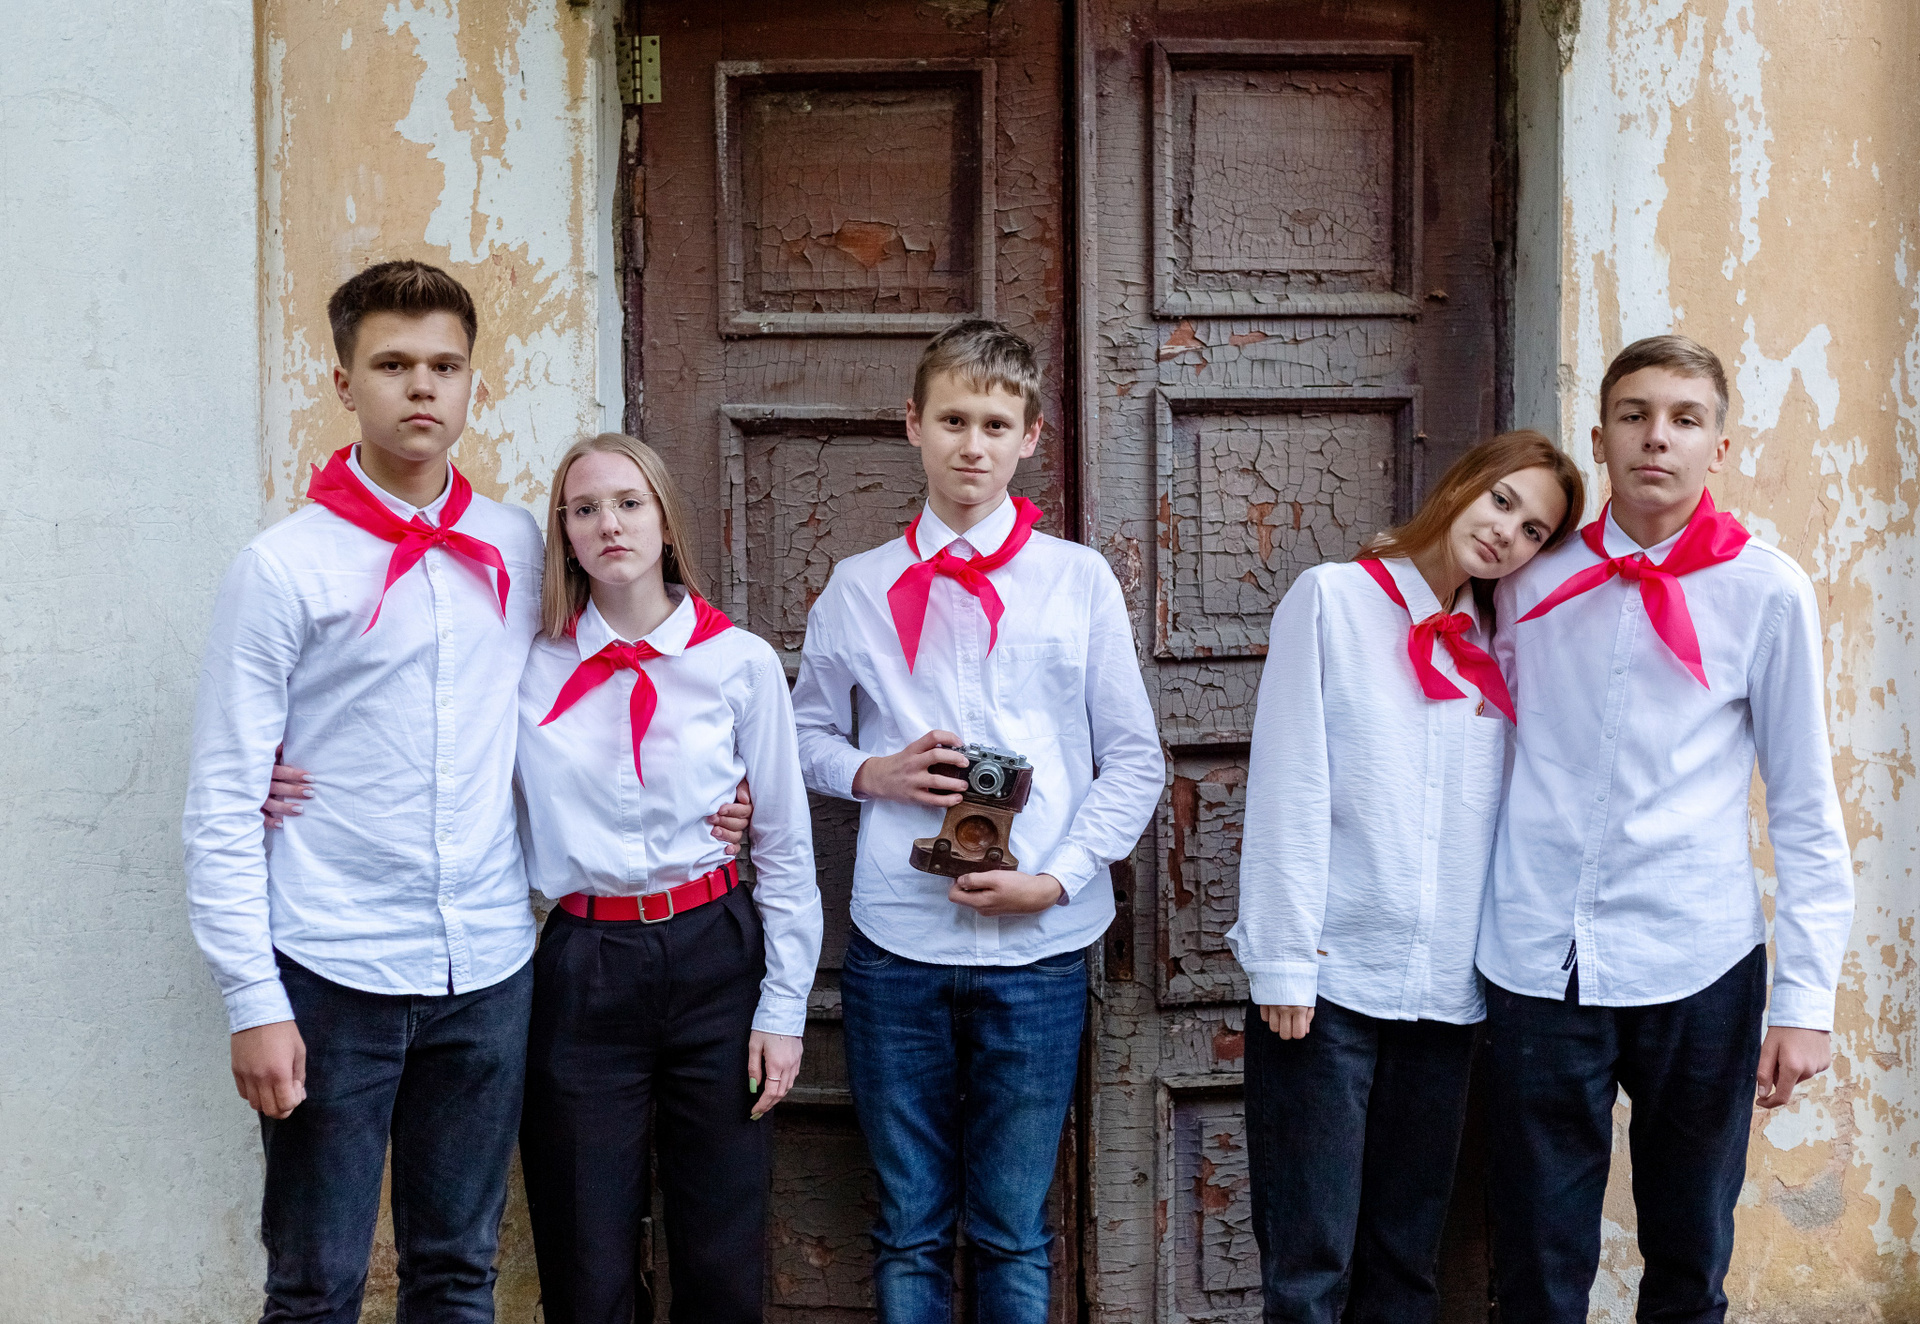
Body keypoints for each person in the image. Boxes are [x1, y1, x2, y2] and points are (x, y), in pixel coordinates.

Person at [183, 260, 545, 1323]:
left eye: (445, 365)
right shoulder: (282, 568)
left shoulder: (522, 546)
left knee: (458, 1274)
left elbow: (585, 708)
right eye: (392, 364)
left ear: (475, 382)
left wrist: (709, 797)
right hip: (331, 964)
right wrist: (253, 1001)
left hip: (489, 964)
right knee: (315, 1285)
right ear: (343, 383)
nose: (422, 386)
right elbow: (223, 794)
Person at [789, 320, 1164, 1321]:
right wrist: (873, 771)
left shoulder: (1078, 580)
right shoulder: (859, 587)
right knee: (909, 1224)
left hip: (1038, 951)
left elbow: (1134, 759)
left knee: (1010, 1226)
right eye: (953, 420)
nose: (972, 445)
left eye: (996, 425)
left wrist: (1059, 878)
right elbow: (801, 736)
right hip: (898, 949)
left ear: (1030, 436)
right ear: (913, 424)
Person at [1479, 335, 1854, 1321]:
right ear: (1600, 436)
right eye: (1635, 415)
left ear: (1718, 448)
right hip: (1535, 959)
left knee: (1690, 1263)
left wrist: (1805, 1001)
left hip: (1698, 961)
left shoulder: (1767, 590)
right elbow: (1476, 753)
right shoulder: (1527, 577)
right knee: (1534, 1266)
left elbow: (1806, 804)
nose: (1658, 437)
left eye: (1686, 419)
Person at [1229, 431, 1584, 1323]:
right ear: (1462, 485)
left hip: (1446, 998)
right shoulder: (1333, 600)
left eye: (1535, 531)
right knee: (1309, 1266)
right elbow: (1290, 782)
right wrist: (1282, 961)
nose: (1507, 533)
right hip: (1328, 986)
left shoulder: (1501, 647)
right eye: (1502, 501)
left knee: (1405, 1263)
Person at [511, 432, 820, 1324]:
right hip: (585, 958)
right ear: (565, 535)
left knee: (721, 1250)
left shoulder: (739, 663)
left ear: (665, 520)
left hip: (714, 954)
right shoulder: (528, 666)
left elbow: (785, 847)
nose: (608, 524)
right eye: (584, 509)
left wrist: (783, 1009)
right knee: (584, 1253)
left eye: (628, 503)